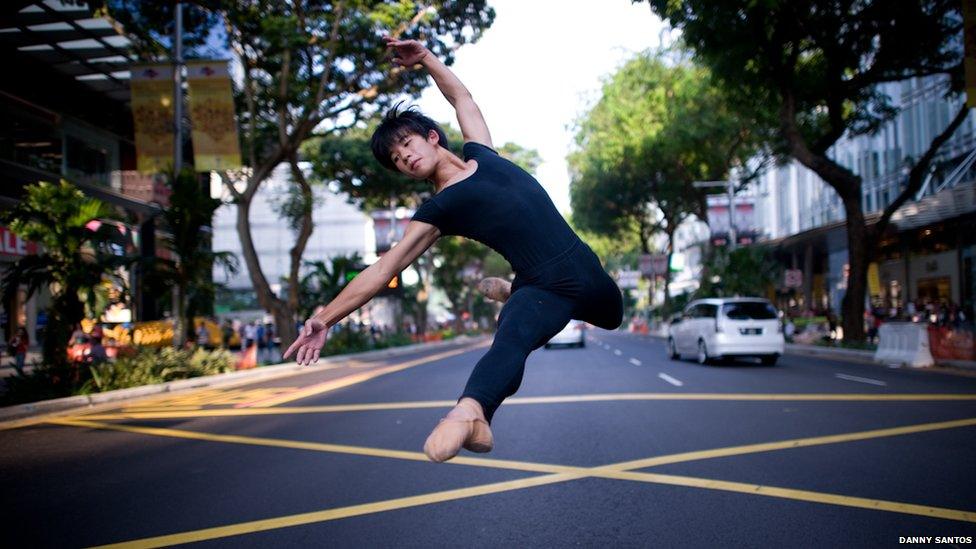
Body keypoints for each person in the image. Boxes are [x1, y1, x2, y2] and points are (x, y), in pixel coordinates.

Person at [285, 37, 623, 463]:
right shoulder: (439, 209)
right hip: (546, 289)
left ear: (431, 137)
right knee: (510, 340)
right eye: (394, 158)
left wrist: (426, 58)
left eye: (406, 144)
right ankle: (469, 413)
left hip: (586, 270)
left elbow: (461, 96)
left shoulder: (482, 152)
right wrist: (324, 317)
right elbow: (383, 267)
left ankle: (511, 289)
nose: (403, 157)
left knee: (613, 317)